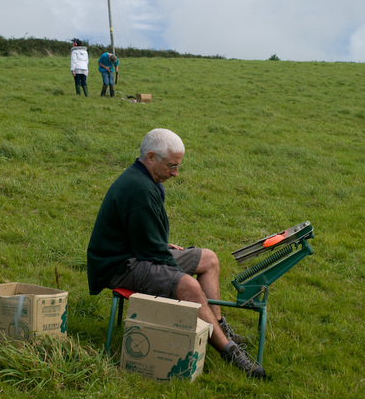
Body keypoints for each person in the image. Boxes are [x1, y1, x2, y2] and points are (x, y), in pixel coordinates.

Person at [87, 128, 266, 378]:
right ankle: (231, 352)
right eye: (171, 166)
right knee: (189, 287)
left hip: (139, 251)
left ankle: (220, 327)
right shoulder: (138, 189)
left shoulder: (145, 179)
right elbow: (150, 251)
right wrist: (174, 271)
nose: (175, 172)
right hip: (120, 266)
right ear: (151, 157)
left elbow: (143, 236)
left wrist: (161, 244)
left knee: (209, 259)